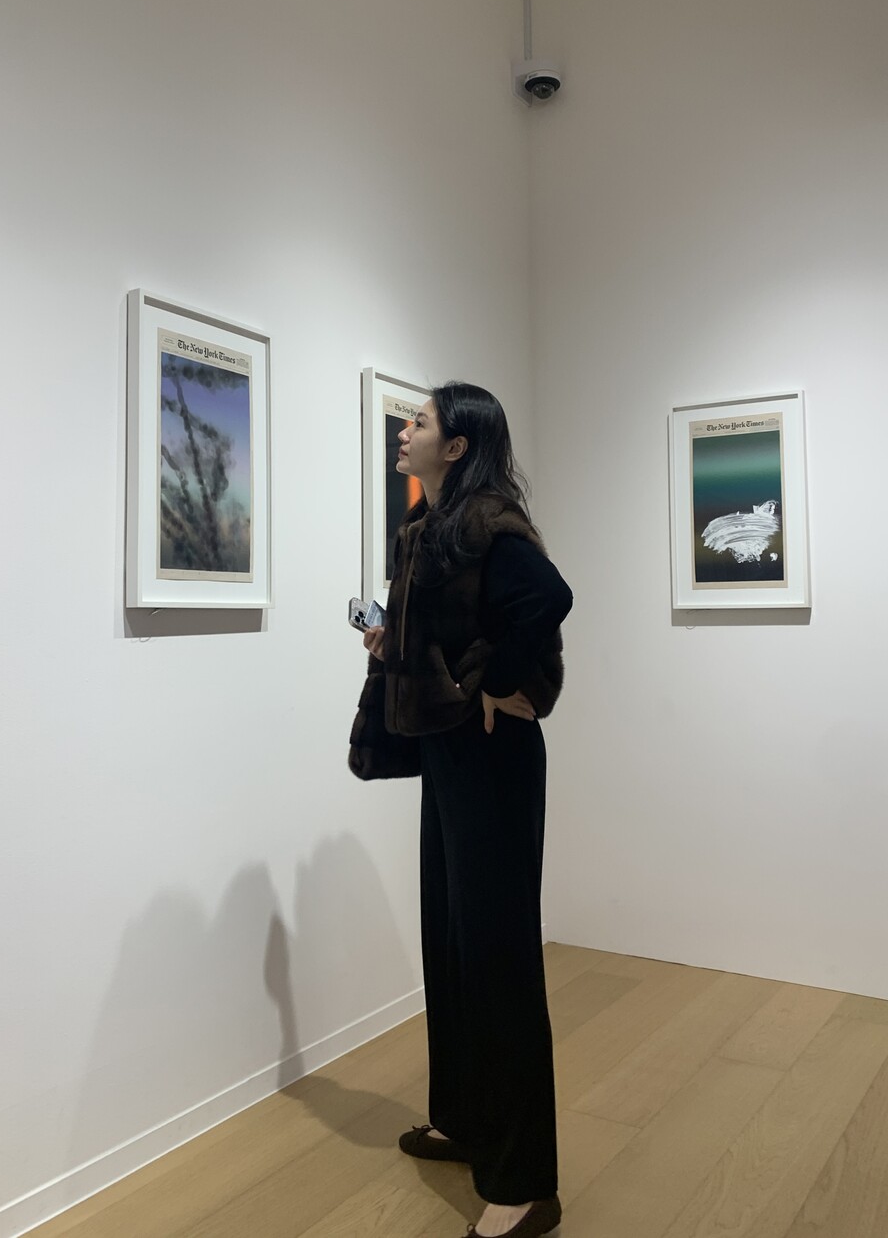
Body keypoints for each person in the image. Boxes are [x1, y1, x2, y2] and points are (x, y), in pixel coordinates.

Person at [349, 382, 573, 1238]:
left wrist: (497, 683)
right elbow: (447, 631)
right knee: (451, 944)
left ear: (456, 445)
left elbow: (547, 599)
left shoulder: (487, 520)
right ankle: (465, 1119)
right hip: (450, 755)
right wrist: (392, 639)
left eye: (420, 421)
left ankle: (525, 1184)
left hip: (494, 757)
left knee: (498, 958)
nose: (406, 431)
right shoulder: (427, 525)